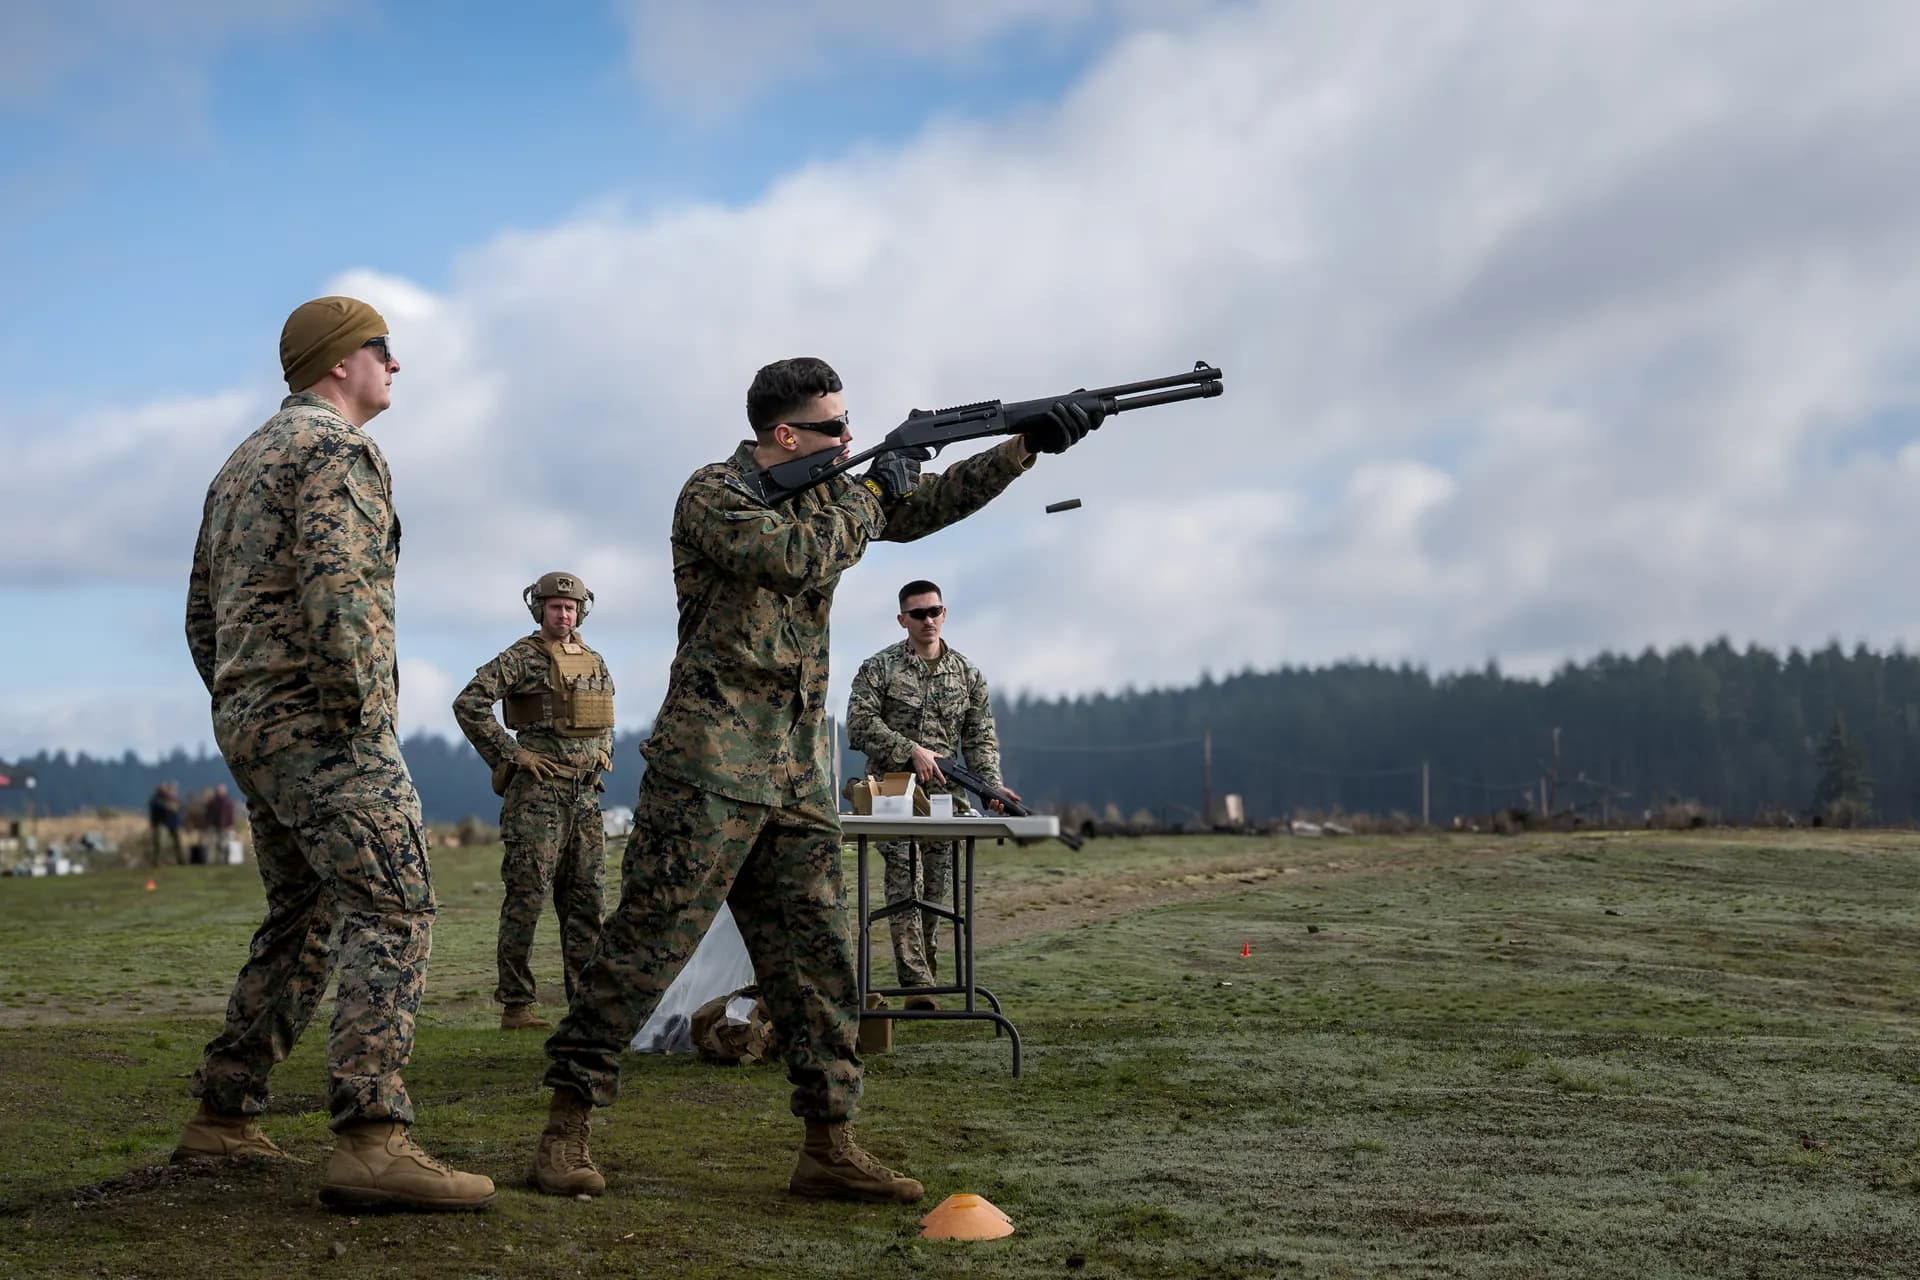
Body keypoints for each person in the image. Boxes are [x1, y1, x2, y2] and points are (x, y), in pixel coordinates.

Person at [528, 356, 1101, 1203]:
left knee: (820, 961)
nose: (852, 440)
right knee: (644, 951)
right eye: (837, 429)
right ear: (786, 434)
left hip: (796, 772)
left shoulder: (835, 492)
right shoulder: (713, 493)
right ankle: (563, 1133)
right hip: (709, 768)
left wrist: (1023, 448)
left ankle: (829, 1144)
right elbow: (794, 556)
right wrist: (869, 493)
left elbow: (923, 507)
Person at [175, 295, 493, 1211]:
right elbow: (339, 588)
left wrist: (245, 699)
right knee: (396, 906)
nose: (397, 365)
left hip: (256, 723)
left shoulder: (240, 463)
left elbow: (202, 613)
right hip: (325, 727)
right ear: (339, 362)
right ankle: (370, 1138)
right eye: (383, 349)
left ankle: (225, 1113)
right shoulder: (335, 450)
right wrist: (357, 716)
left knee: (305, 916)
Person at [452, 571, 613, 1032]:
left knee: (586, 901)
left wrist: (605, 753)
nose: (563, 614)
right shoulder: (523, 657)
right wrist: (510, 753)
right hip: (538, 798)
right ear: (539, 609)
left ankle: (584, 1004)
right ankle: (517, 1006)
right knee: (528, 897)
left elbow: (604, 717)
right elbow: (469, 703)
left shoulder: (593, 659)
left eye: (570, 607)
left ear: (581, 611)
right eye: (555, 607)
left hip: (585, 798)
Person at [846, 581, 1015, 1006]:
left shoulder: (968, 674)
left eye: (934, 611)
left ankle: (929, 980)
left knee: (935, 892)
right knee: (906, 880)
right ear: (903, 620)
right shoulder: (879, 669)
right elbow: (860, 724)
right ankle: (917, 985)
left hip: (945, 800)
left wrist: (991, 786)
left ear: (945, 613)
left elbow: (980, 739)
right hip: (890, 795)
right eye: (918, 614)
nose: (928, 620)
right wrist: (910, 750)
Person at [148, 781, 185, 867]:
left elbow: (180, 808)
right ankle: (157, 862)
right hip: (161, 824)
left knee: (177, 843)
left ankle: (181, 861)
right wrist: (171, 806)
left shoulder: (173, 799)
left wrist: (174, 805)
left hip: (173, 824)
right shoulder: (156, 799)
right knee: (160, 844)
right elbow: (163, 806)